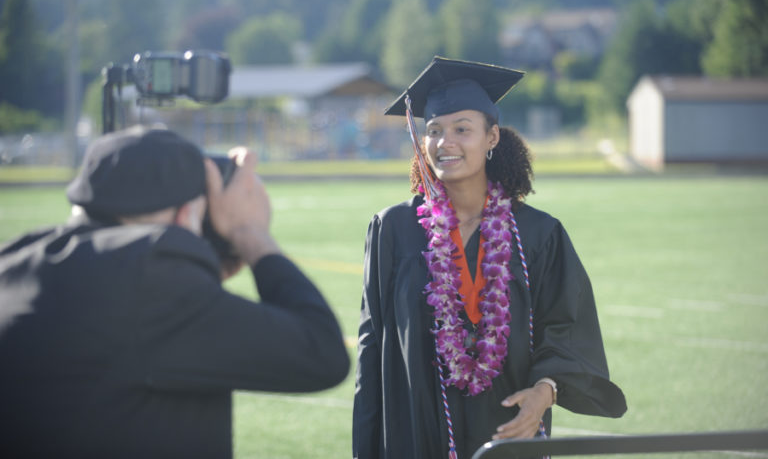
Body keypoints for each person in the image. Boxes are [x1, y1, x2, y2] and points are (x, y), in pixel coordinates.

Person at [0, 126, 349, 458]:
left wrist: (201, 277)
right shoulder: (153, 281)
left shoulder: (15, 258)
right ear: (186, 215)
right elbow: (321, 353)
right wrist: (249, 232)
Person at [353, 57, 626, 459]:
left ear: (492, 137)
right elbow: (371, 349)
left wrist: (544, 392)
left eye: (462, 129)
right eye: (434, 131)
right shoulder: (394, 229)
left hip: (508, 430)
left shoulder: (537, 235)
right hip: (415, 432)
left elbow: (566, 326)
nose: (446, 143)